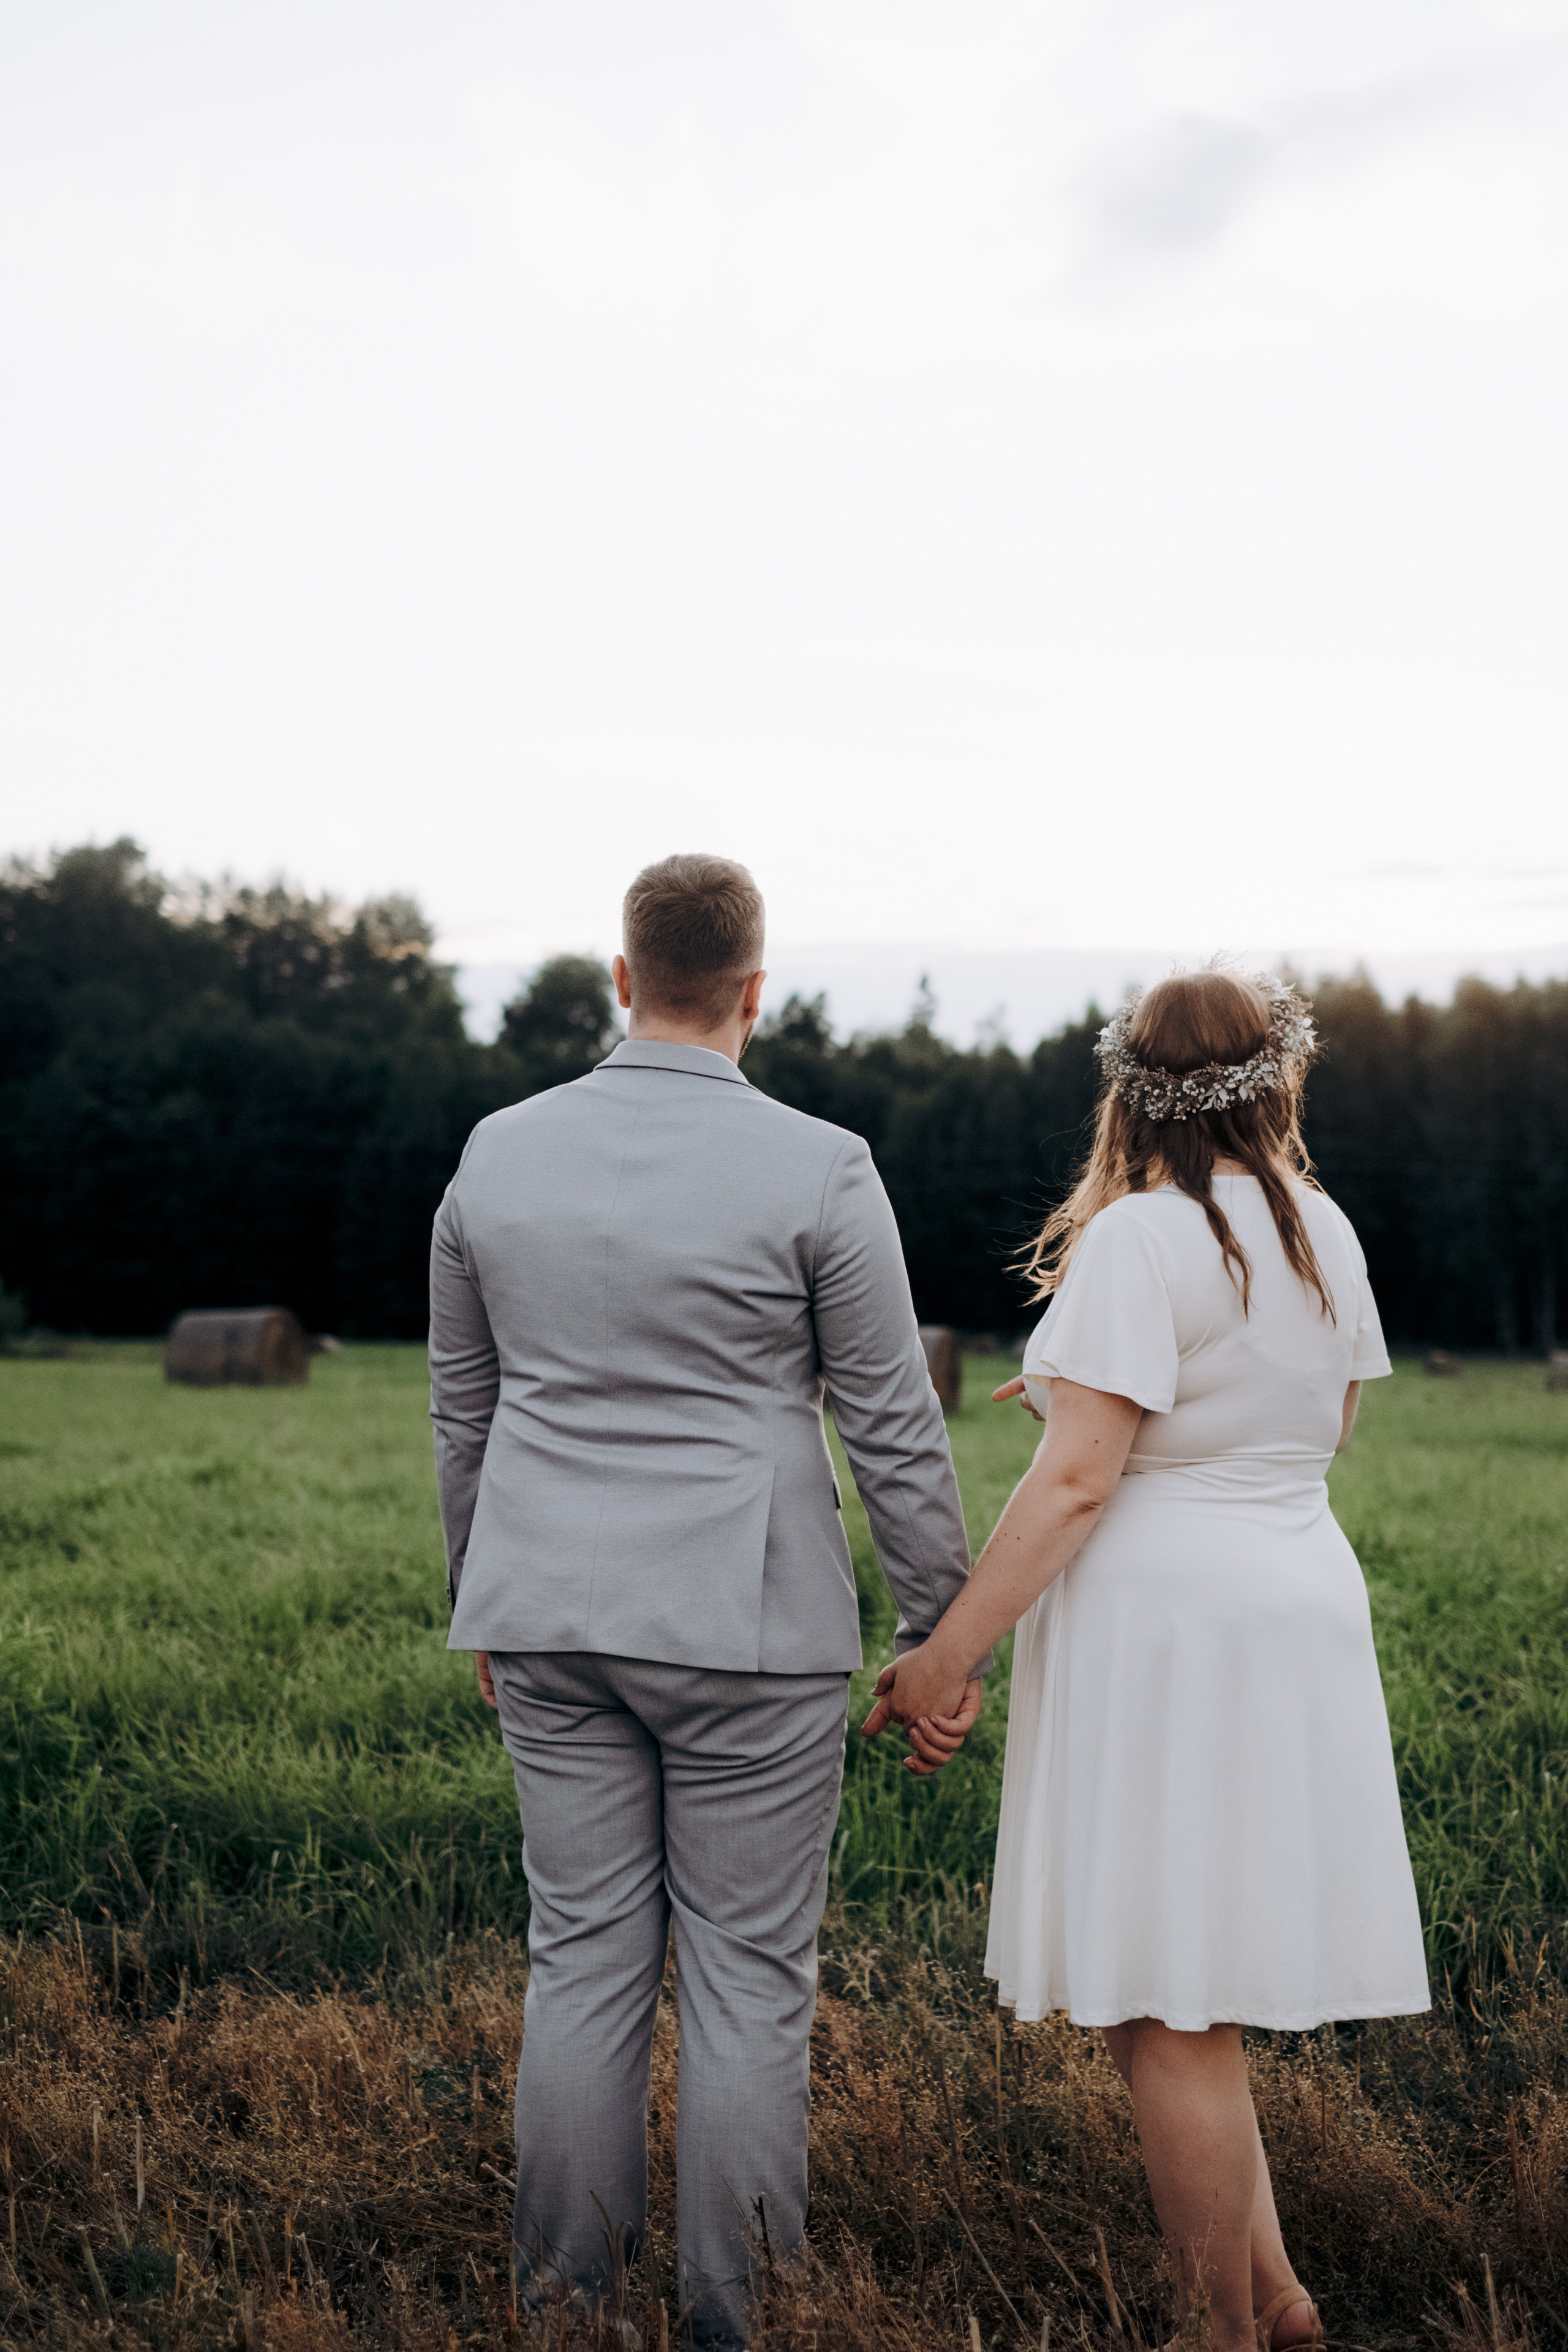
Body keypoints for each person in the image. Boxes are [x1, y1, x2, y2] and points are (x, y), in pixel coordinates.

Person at [428, 853, 987, 2351]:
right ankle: (733, 2323)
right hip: (748, 1621)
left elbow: (460, 1408)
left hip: (542, 1604)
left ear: (619, 979)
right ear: (757, 987)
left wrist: (478, 1595)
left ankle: (562, 2307)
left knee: (584, 1954)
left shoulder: (494, 1150)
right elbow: (888, 1422)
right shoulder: (821, 1164)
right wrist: (938, 1634)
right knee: (747, 1977)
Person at [862, 967, 1430, 2352]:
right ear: (1276, 1080)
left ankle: (1207, 2331)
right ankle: (1277, 2301)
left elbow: (1072, 1489)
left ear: (1129, 1092)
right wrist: (1078, 1392)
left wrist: (944, 1657)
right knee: (1170, 1986)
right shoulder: (1323, 1229)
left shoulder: (1137, 1237)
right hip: (1292, 1602)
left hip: (1169, 1629)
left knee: (1173, 2002)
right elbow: (1310, 1428)